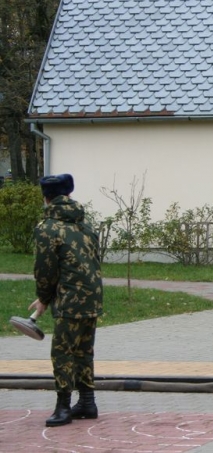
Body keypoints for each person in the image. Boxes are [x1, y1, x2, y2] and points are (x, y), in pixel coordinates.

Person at [28, 174, 103, 427]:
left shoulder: (47, 228)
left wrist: (43, 298)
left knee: (62, 352)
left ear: (46, 198)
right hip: (92, 297)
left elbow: (45, 269)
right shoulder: (85, 224)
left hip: (69, 300)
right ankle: (87, 402)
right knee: (84, 350)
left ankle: (63, 407)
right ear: (69, 195)